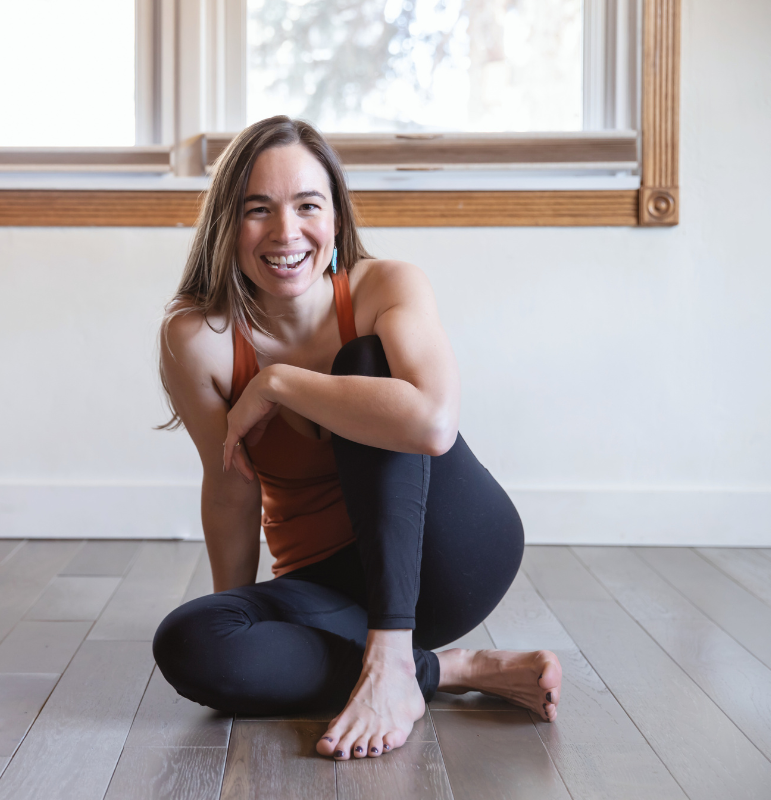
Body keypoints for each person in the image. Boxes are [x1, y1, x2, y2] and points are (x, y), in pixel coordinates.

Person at [152, 116, 562, 761]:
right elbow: (231, 486)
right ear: (227, 225)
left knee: (366, 365)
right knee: (191, 639)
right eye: (257, 209)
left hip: (449, 553)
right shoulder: (197, 338)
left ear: (336, 218)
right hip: (332, 586)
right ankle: (441, 670)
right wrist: (242, 611)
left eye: (307, 206)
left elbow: (431, 423)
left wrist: (279, 383)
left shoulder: (385, 287)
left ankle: (395, 649)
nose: (286, 233)